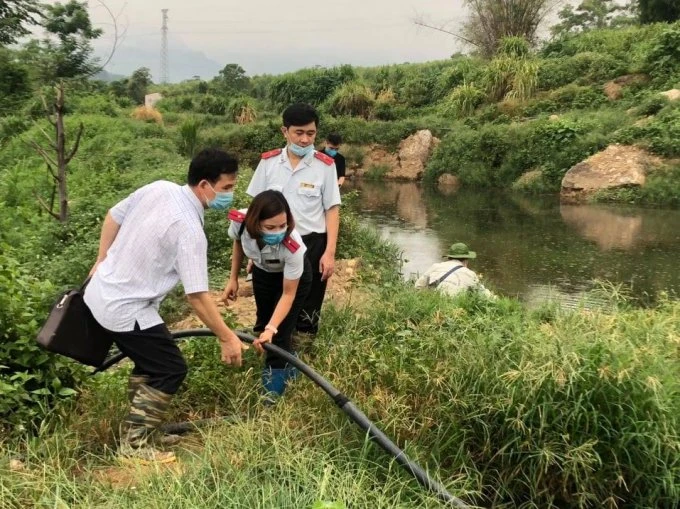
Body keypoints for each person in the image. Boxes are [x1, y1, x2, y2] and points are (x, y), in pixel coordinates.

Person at [84, 148, 247, 463]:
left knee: (152, 364)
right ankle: (133, 446)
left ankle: (146, 431)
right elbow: (197, 296)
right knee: (170, 368)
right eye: (226, 188)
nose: (231, 194)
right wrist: (227, 336)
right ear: (204, 185)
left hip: (104, 292)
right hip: (125, 308)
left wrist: (100, 260)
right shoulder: (189, 230)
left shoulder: (160, 188)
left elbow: (113, 215)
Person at [247, 103, 341, 339]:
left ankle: (303, 348)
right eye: (298, 133)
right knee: (270, 299)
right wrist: (253, 250)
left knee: (308, 304)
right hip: (272, 242)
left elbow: (332, 210)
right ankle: (270, 345)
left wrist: (329, 253)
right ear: (284, 131)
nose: (305, 139)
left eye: (311, 133)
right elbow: (255, 209)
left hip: (311, 243)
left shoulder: (325, 166)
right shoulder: (268, 163)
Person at [222, 190, 311, 401]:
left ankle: (271, 394)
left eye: (282, 226)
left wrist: (272, 328)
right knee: (261, 324)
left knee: (278, 332)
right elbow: (238, 243)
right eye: (270, 227)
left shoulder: (293, 246)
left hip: (293, 279)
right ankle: (291, 364)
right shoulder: (241, 222)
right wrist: (233, 278)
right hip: (263, 272)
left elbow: (288, 294)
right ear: (255, 222)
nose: (278, 232)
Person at [415, 242, 494, 299]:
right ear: (466, 260)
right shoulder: (470, 274)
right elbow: (484, 295)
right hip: (454, 307)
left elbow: (418, 286)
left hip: (432, 305)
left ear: (449, 257)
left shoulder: (435, 266)